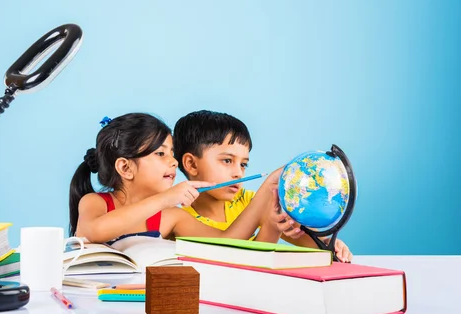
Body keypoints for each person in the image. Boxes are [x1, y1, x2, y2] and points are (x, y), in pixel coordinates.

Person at [68, 112, 297, 244]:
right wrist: (164, 199)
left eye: (171, 153)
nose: (173, 161)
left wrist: (268, 205)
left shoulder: (173, 217)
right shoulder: (94, 203)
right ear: (125, 168)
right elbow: (92, 232)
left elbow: (228, 246)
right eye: (160, 154)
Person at [173, 110, 353, 262]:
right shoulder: (180, 218)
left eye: (243, 164)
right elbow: (233, 257)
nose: (238, 173)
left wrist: (330, 244)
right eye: (227, 160)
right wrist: (267, 192)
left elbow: (305, 240)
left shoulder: (247, 200)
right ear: (192, 164)